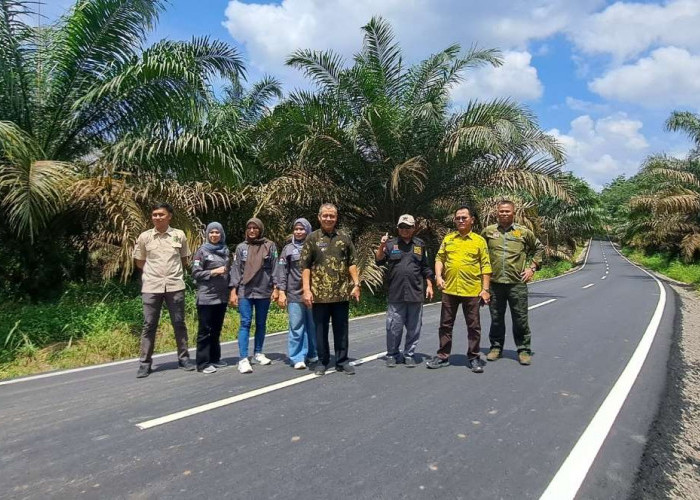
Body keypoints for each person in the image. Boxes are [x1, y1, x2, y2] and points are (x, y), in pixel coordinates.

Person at [427, 206, 492, 373]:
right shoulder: (449, 239)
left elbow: (486, 265)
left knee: (474, 326)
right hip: (450, 290)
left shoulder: (479, 241)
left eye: (464, 217)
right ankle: (442, 355)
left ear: (472, 220)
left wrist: (485, 289)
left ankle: (474, 357)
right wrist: (439, 276)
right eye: (458, 218)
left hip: (472, 291)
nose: (461, 220)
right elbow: (439, 258)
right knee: (445, 325)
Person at [133, 202, 194, 378]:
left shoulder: (179, 235)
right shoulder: (145, 237)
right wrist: (154, 274)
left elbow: (184, 259)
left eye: (161, 214)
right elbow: (140, 261)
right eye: (154, 215)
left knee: (179, 323)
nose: (157, 217)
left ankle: (184, 358)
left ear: (169, 216)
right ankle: (145, 363)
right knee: (149, 324)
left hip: (175, 285)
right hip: (151, 286)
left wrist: (172, 274)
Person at [301, 203, 360, 376]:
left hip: (341, 293)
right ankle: (322, 361)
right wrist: (306, 290)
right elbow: (304, 266)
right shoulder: (312, 238)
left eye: (332, 216)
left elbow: (352, 262)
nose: (328, 218)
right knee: (320, 329)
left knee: (341, 329)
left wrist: (356, 284)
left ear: (336, 218)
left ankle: (342, 361)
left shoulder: (344, 238)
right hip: (319, 294)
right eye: (325, 215)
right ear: (319, 217)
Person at [482, 200, 544, 365]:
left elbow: (539, 248)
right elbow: (479, 252)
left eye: (507, 211)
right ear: (497, 212)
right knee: (496, 318)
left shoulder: (523, 232)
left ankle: (523, 350)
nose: (504, 214)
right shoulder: (488, 232)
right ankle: (496, 348)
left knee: (520, 318)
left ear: (513, 213)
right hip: (495, 283)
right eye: (501, 211)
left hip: (516, 283)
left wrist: (532, 267)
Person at [375, 214, 434, 367]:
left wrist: (430, 285)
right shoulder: (390, 244)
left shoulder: (420, 245)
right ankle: (392, 354)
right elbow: (379, 260)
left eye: (408, 227)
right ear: (398, 228)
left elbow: (425, 267)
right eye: (402, 227)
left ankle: (409, 354)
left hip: (415, 292)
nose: (405, 230)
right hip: (396, 292)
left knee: (414, 327)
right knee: (394, 326)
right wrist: (381, 245)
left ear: (414, 228)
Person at [229, 217, 278, 374]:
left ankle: (258, 353)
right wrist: (233, 291)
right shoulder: (241, 248)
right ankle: (243, 358)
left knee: (261, 323)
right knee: (245, 322)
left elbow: (276, 267)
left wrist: (277, 288)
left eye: (255, 228)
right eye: (249, 228)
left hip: (264, 290)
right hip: (245, 290)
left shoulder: (269, 246)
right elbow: (236, 269)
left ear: (260, 229)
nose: (252, 230)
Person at [275, 218, 318, 370]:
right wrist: (281, 291)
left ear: (308, 230)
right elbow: (281, 271)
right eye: (296, 229)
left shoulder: (315, 246)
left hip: (313, 293)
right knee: (296, 326)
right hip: (294, 293)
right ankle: (297, 357)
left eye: (302, 229)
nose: (299, 232)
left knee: (313, 326)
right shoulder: (287, 249)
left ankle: (313, 354)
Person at [191, 222, 230, 374]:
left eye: (217, 232)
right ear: (207, 234)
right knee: (205, 330)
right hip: (207, 297)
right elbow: (195, 273)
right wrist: (213, 272)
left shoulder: (225, 250)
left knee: (216, 329)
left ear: (221, 234)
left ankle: (215, 358)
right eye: (212, 232)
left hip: (221, 297)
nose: (214, 235)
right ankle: (202, 363)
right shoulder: (202, 251)